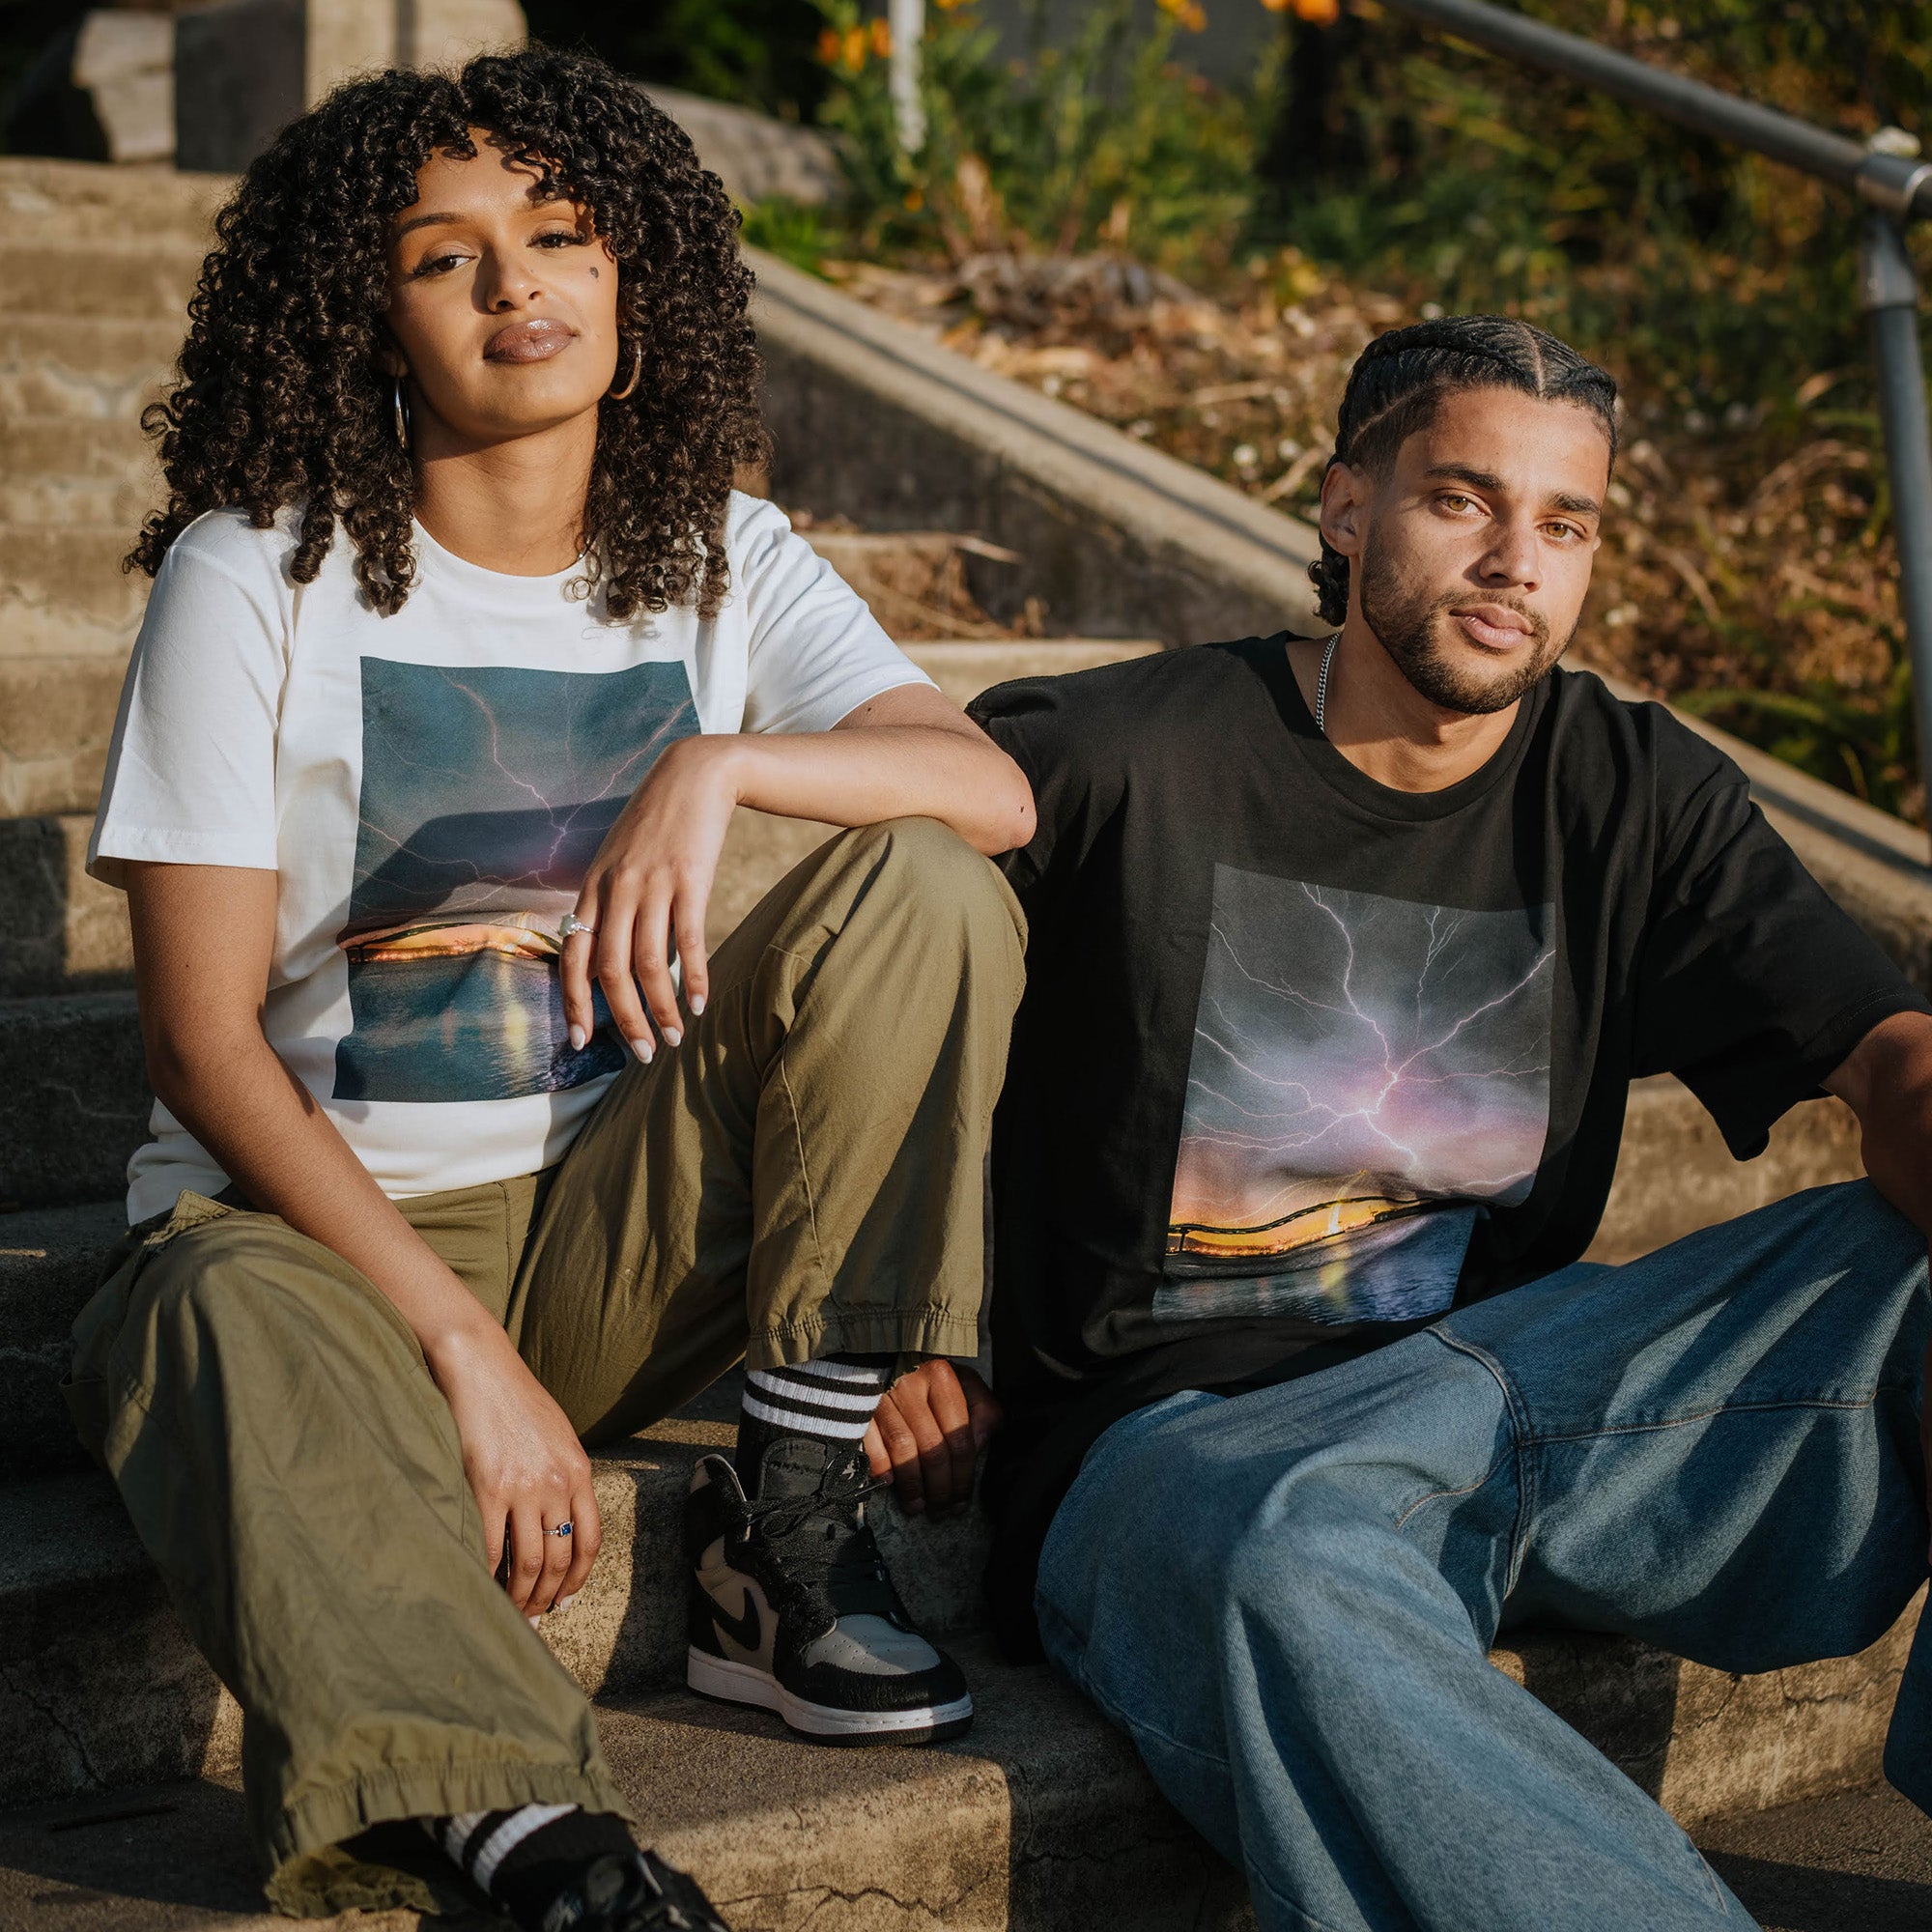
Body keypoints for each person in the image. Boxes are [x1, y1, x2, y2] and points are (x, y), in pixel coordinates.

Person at [69, 48, 1032, 1929]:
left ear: (636, 273)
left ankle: (792, 1515)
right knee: (203, 1306)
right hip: (313, 1241)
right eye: (447, 256)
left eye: (563, 233)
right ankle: (525, 1835)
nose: (520, 282)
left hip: (613, 1229)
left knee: (919, 879)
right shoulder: (251, 574)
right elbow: (193, 1040)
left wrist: (725, 765)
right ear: (369, 319)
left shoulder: (724, 555)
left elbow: (986, 790)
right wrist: (457, 1343)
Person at [955, 313, 1932, 1932]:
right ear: (1349, 511)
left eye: (1566, 525)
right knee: (1292, 1555)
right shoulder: (1127, 751)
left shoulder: (1632, 788)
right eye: (1463, 502)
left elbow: (1888, 1055)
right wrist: (896, 1316)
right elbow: (872, 978)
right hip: (1170, 1445)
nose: (1516, 564)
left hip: (1514, 1402)